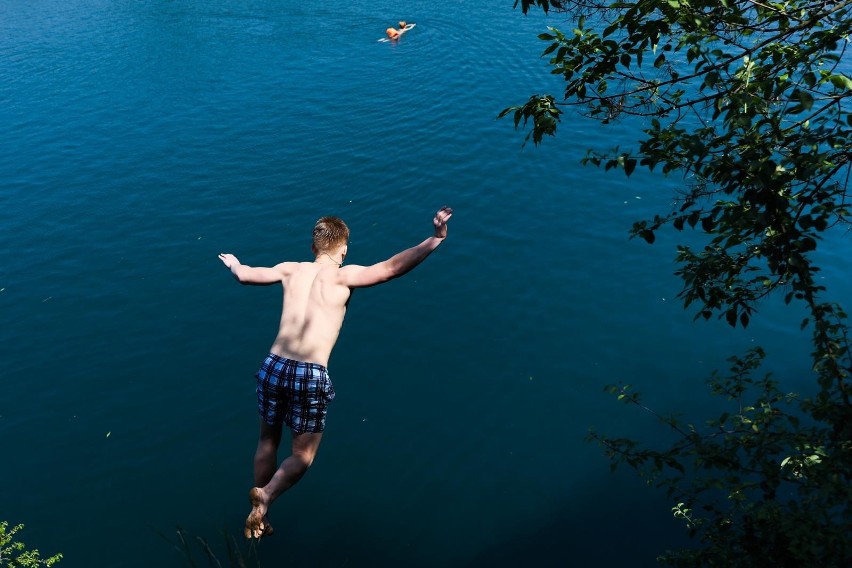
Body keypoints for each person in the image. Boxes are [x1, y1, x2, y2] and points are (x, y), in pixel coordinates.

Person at [218, 206, 453, 539]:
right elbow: (390, 269)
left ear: (313, 248)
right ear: (344, 250)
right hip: (309, 373)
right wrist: (435, 239)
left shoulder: (291, 270)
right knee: (302, 455)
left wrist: (235, 263)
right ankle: (266, 496)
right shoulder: (344, 275)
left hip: (274, 364)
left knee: (267, 441)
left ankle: (258, 510)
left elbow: (245, 275)